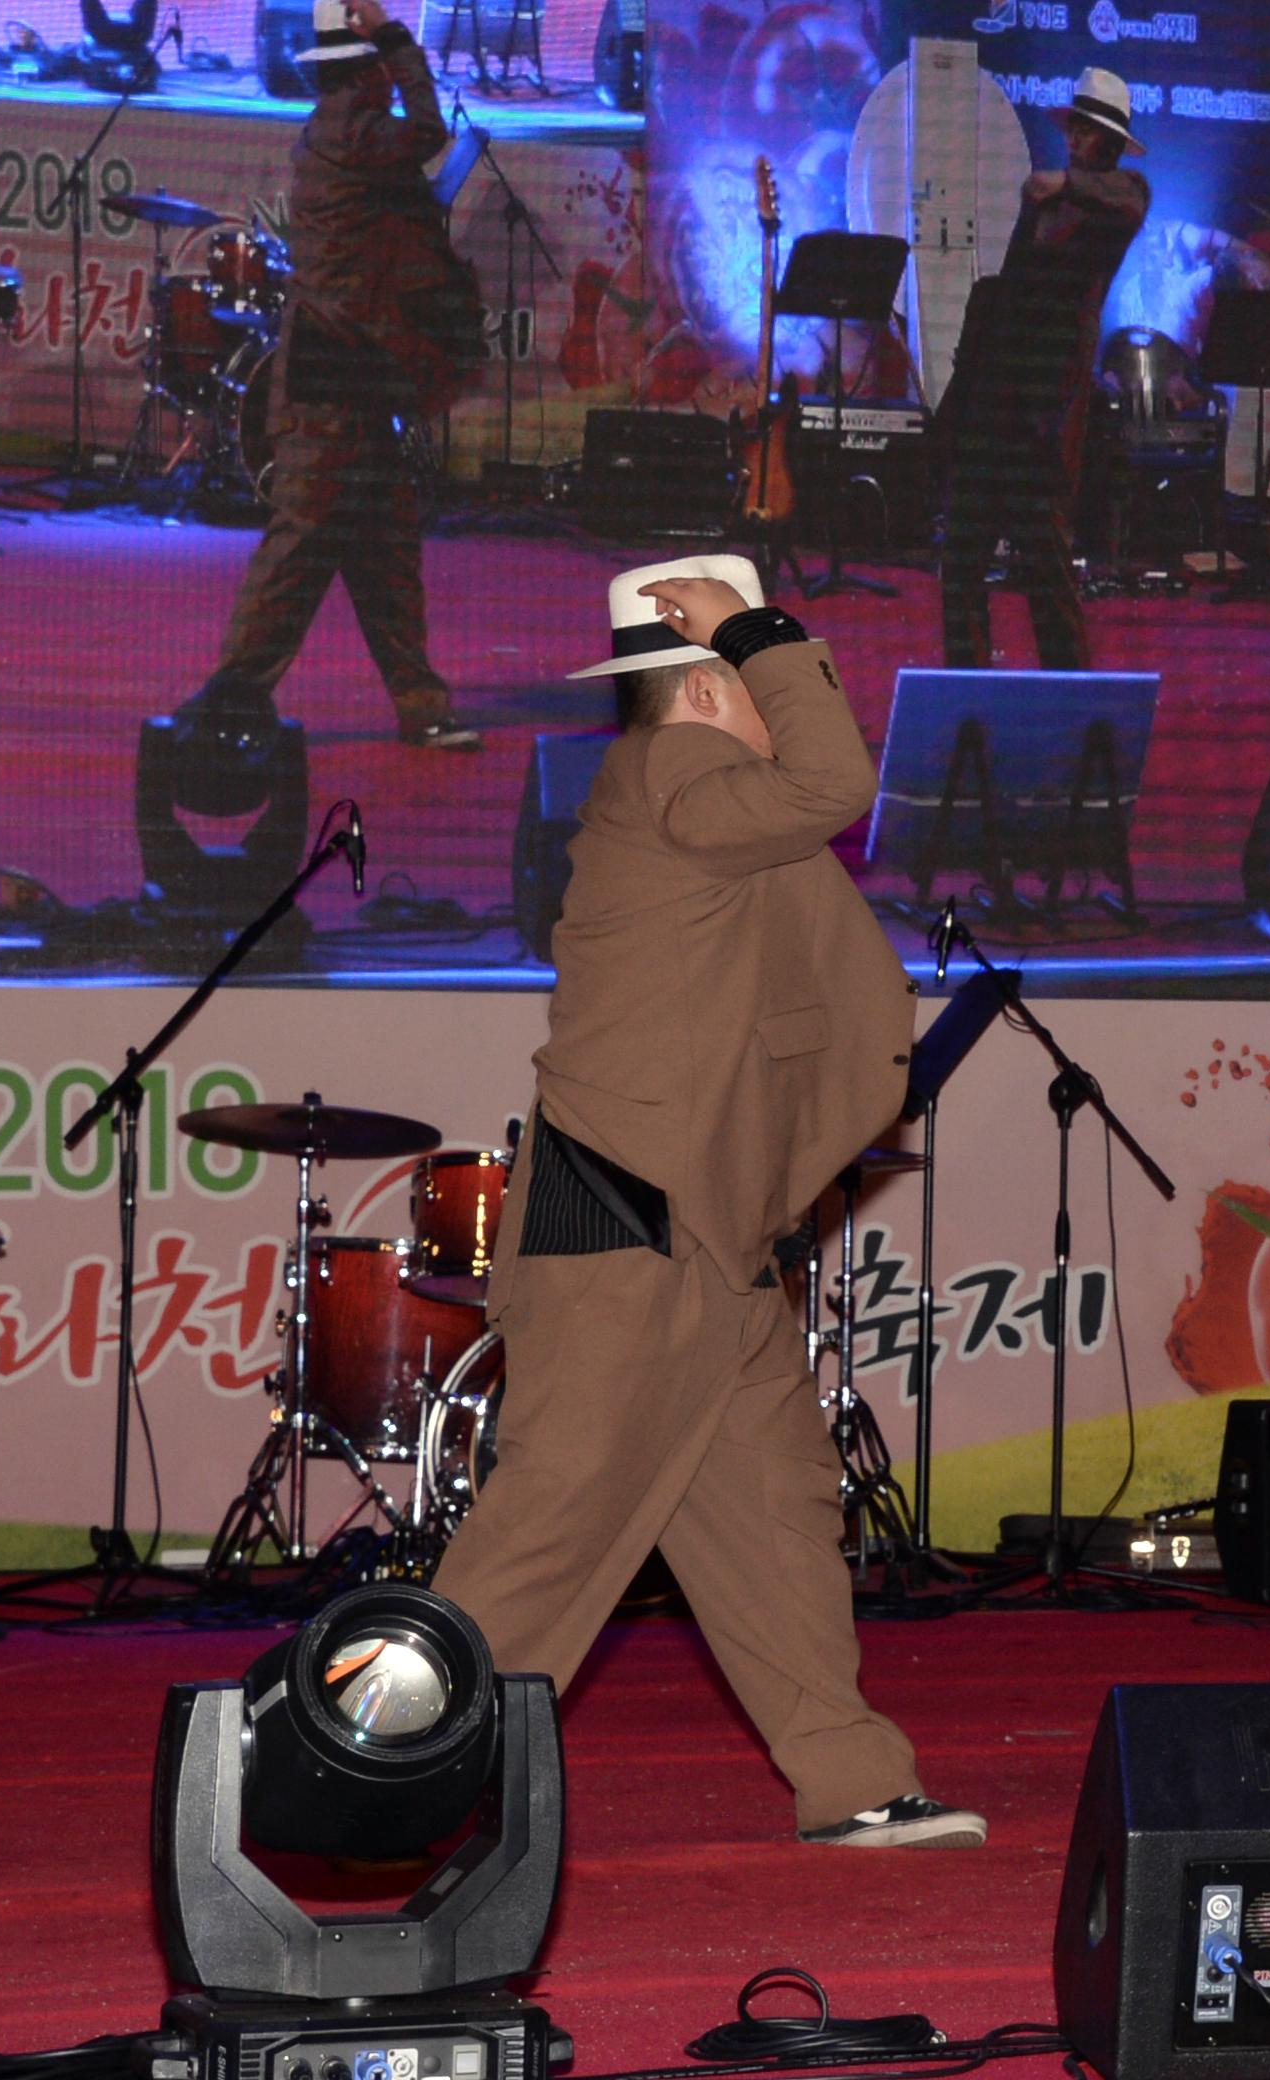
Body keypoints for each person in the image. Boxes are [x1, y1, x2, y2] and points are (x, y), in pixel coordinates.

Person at [434, 555, 980, 1848]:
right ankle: (390, 1770)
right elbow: (838, 778)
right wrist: (756, 628)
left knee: (772, 1511)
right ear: (703, 683)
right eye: (771, 673)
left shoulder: (712, 810)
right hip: (625, 1214)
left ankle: (849, 1774)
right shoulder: (677, 776)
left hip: (698, 1223)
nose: (805, 688)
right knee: (551, 1526)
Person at [190, 0, 477, 751]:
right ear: (366, 69)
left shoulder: (343, 130)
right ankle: (224, 705)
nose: (389, 74)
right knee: (301, 547)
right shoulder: (357, 129)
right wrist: (395, 33)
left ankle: (421, 704)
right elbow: (427, 128)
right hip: (332, 383)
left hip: (351, 378)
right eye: (380, 63)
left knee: (383, 547)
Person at [935, 68, 1151, 672]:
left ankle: (1069, 692)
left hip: (1047, 411)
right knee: (962, 555)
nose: (1077, 140)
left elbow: (1125, 201)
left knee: (1044, 563)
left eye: (1089, 132)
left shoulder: (1120, 194)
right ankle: (964, 683)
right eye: (1076, 129)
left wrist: (1066, 184)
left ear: (1105, 141)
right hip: (997, 396)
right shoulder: (1049, 202)